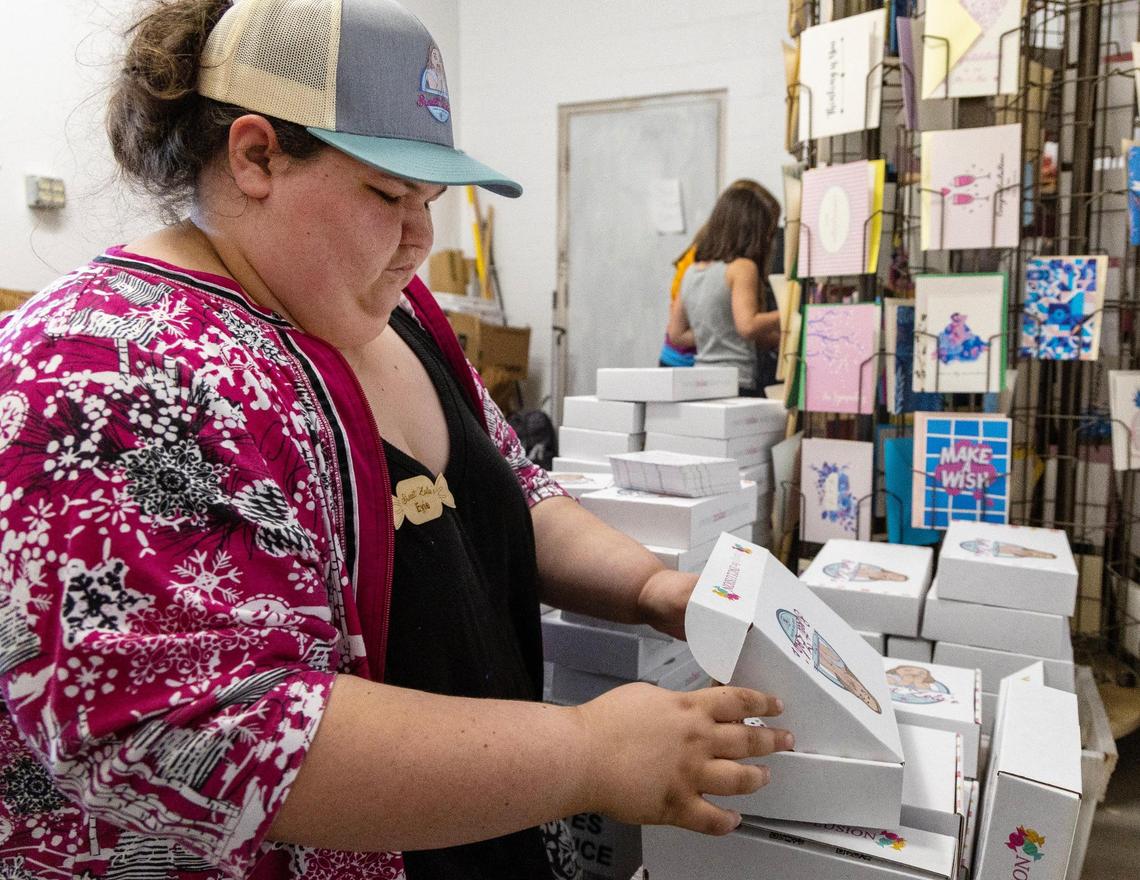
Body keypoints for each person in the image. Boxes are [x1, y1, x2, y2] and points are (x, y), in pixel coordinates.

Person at [0, 1, 793, 878]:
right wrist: (585, 751)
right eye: (387, 195)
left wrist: (655, 589)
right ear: (256, 154)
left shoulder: (396, 311)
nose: (420, 239)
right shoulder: (96, 369)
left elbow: (509, 489)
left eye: (431, 200)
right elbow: (182, 729)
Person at [666, 182, 782, 396]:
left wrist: (717, 333)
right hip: (737, 383)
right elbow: (747, 326)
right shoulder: (743, 267)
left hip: (700, 381)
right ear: (754, 230)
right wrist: (788, 315)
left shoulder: (692, 271)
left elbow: (676, 334)